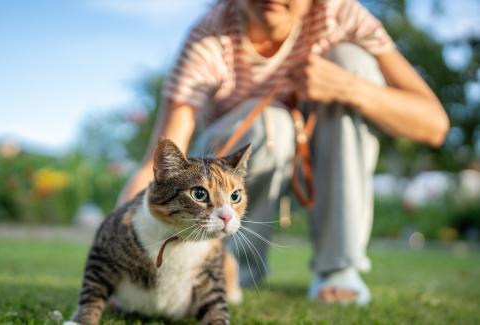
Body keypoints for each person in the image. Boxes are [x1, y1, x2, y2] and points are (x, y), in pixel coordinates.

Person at [118, 0, 449, 305]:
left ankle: (338, 267)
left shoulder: (340, 13)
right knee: (267, 123)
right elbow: (156, 166)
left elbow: (435, 125)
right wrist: (120, 258)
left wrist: (347, 87)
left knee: (353, 61)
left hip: (328, 158)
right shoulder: (210, 35)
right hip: (234, 173)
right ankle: (230, 269)